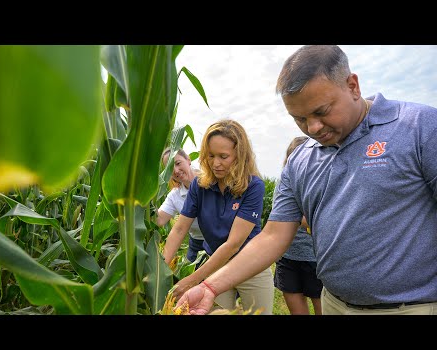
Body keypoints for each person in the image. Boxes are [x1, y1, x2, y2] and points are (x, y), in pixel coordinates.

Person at [175, 45, 437, 315]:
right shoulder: (301, 160)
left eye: (321, 112)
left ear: (353, 86)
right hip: (335, 304)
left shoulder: (419, 128)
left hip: (411, 308)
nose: (312, 128)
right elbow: (273, 236)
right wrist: (209, 287)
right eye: (299, 119)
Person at [163, 119, 274, 314]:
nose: (215, 163)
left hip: (250, 264)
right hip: (215, 264)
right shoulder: (200, 185)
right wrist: (161, 270)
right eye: (211, 155)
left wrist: (192, 280)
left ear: (240, 156)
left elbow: (233, 244)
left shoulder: (254, 186)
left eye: (224, 156)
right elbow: (180, 228)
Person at [273, 136, 322, 315]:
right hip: (288, 257)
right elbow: (279, 216)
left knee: (322, 308)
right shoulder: (283, 184)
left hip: (315, 258)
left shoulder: (320, 183)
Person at [156, 148, 205, 265]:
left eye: (178, 163)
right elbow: (159, 219)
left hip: (222, 240)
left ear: (188, 160)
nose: (176, 170)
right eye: (170, 168)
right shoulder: (175, 195)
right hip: (197, 244)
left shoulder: (211, 181)